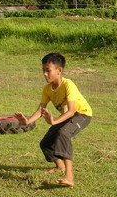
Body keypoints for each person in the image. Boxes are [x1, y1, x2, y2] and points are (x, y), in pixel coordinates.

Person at [14, 53, 92, 187]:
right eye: (43, 70)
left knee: (63, 134)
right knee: (45, 143)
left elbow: (72, 111)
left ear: (59, 70)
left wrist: (54, 122)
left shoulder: (68, 84)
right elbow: (40, 109)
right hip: (67, 115)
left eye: (48, 70)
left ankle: (69, 176)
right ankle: (60, 166)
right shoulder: (47, 89)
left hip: (82, 114)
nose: (44, 74)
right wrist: (27, 121)